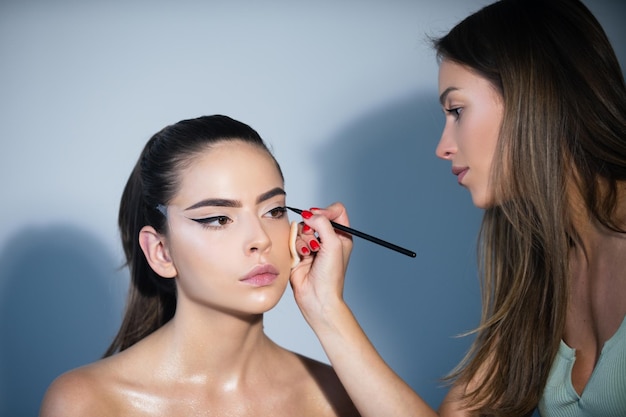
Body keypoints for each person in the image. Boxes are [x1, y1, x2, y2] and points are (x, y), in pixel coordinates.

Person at [289, 0, 626, 416]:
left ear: (535, 98)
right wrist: (324, 308)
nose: (442, 147)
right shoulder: (539, 269)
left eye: (456, 111)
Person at [40, 115, 359, 416]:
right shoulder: (89, 402)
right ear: (161, 251)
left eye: (273, 211)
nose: (260, 240)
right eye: (219, 219)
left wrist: (328, 309)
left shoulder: (339, 395)